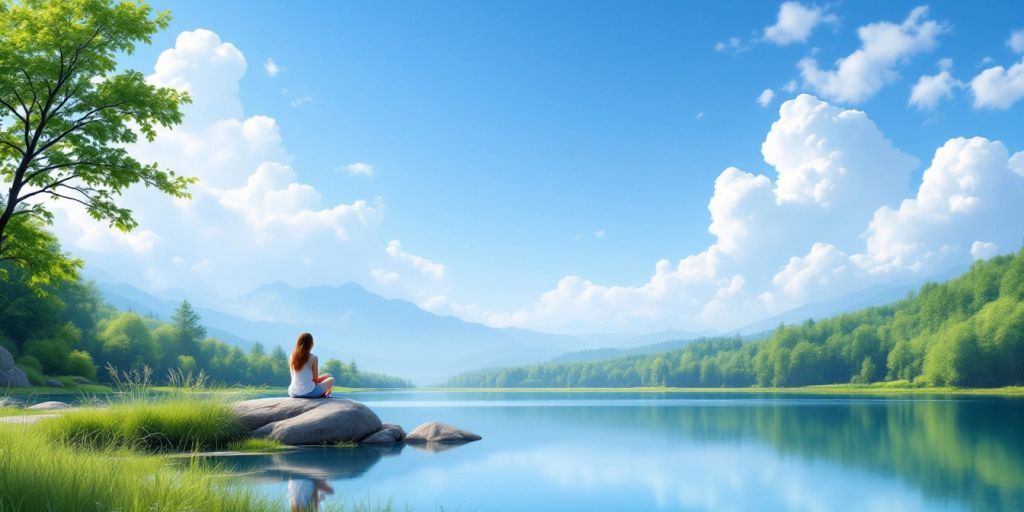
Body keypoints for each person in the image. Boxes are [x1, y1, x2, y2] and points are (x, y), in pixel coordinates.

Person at [288, 332, 334, 398]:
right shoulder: (313, 358)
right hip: (309, 392)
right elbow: (315, 380)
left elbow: (293, 377)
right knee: (331, 379)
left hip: (292, 392)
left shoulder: (292, 356)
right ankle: (326, 394)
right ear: (311, 344)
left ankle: (322, 393)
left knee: (327, 375)